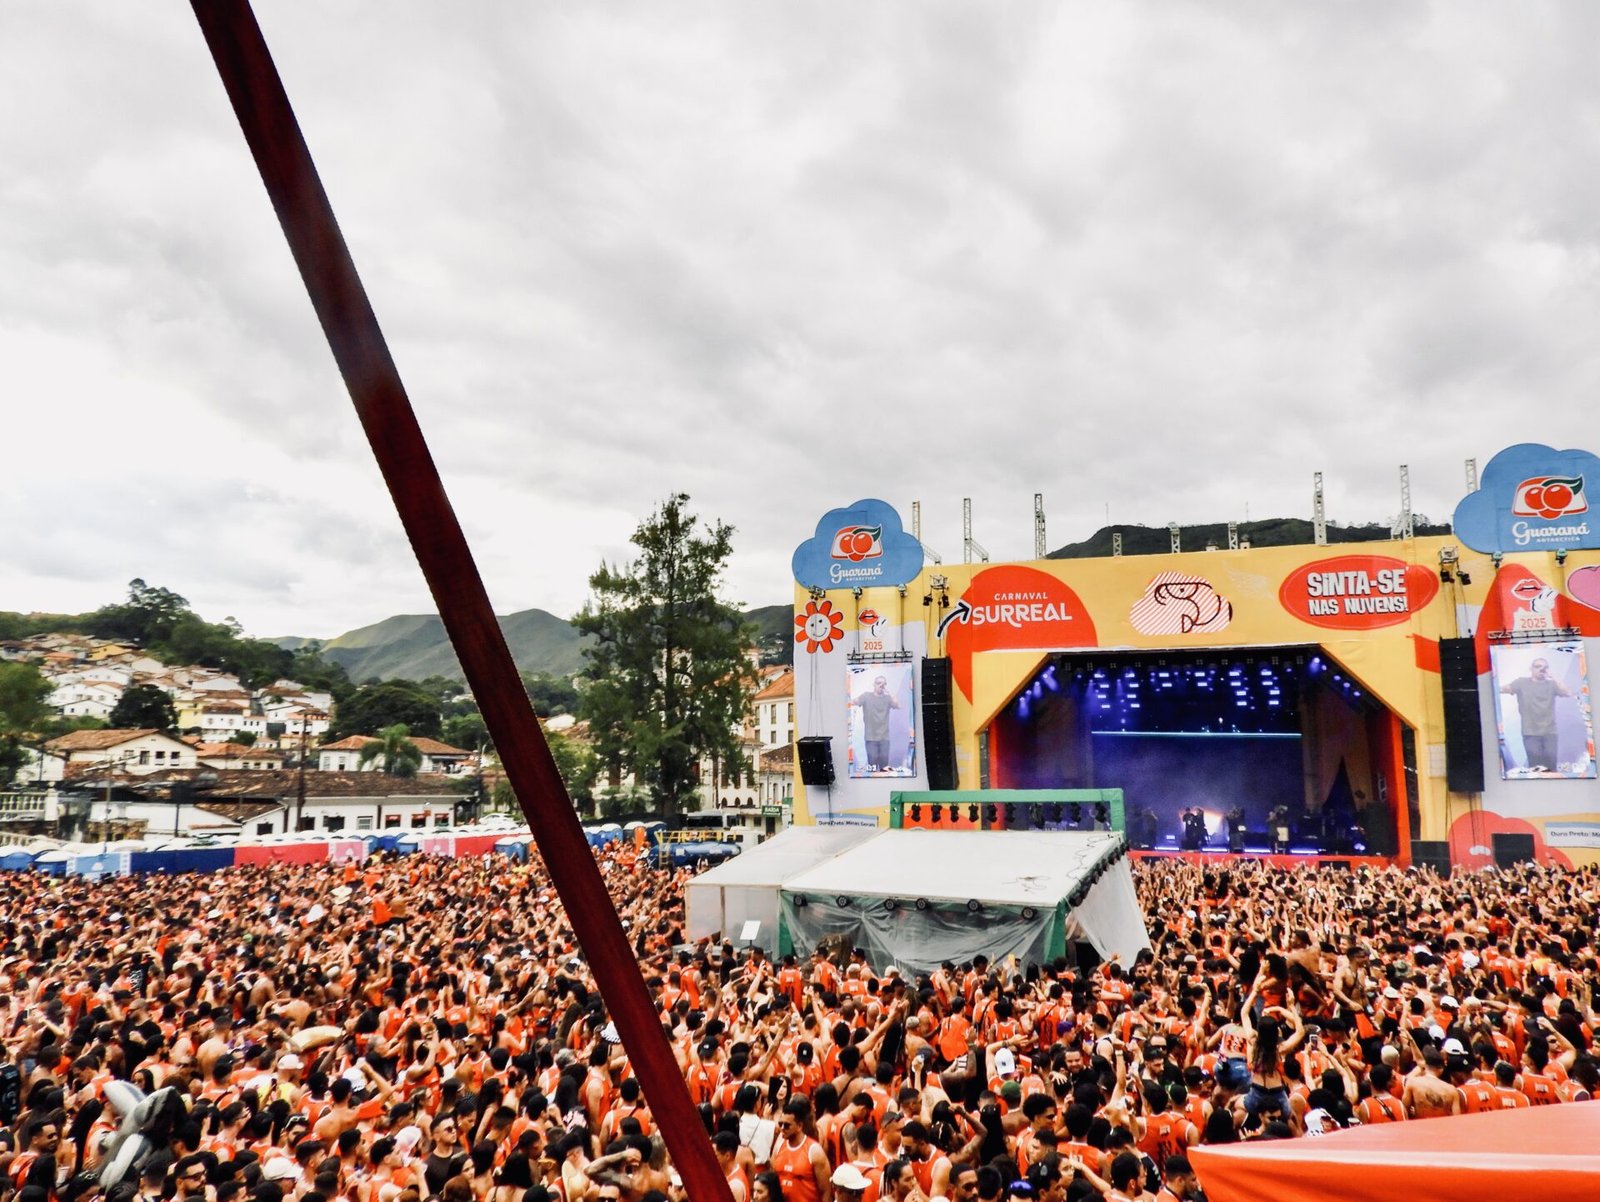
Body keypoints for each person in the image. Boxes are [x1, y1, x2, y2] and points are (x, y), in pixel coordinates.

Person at [1500, 656, 1575, 771]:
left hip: (1550, 732)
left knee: (1551, 767)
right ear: (1531, 669)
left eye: (1544, 667)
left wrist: (1553, 676)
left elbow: (1569, 693)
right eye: (1538, 666)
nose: (1541, 669)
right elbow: (1502, 689)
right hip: (1530, 732)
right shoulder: (1521, 682)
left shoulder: (1552, 685)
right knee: (1535, 767)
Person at [851, 675, 902, 772]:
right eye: (879, 683)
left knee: (884, 769)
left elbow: (899, 705)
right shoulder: (866, 696)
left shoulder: (888, 698)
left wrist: (889, 692)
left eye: (884, 684)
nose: (881, 685)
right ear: (873, 685)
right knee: (872, 769)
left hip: (884, 739)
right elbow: (854, 702)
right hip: (871, 739)